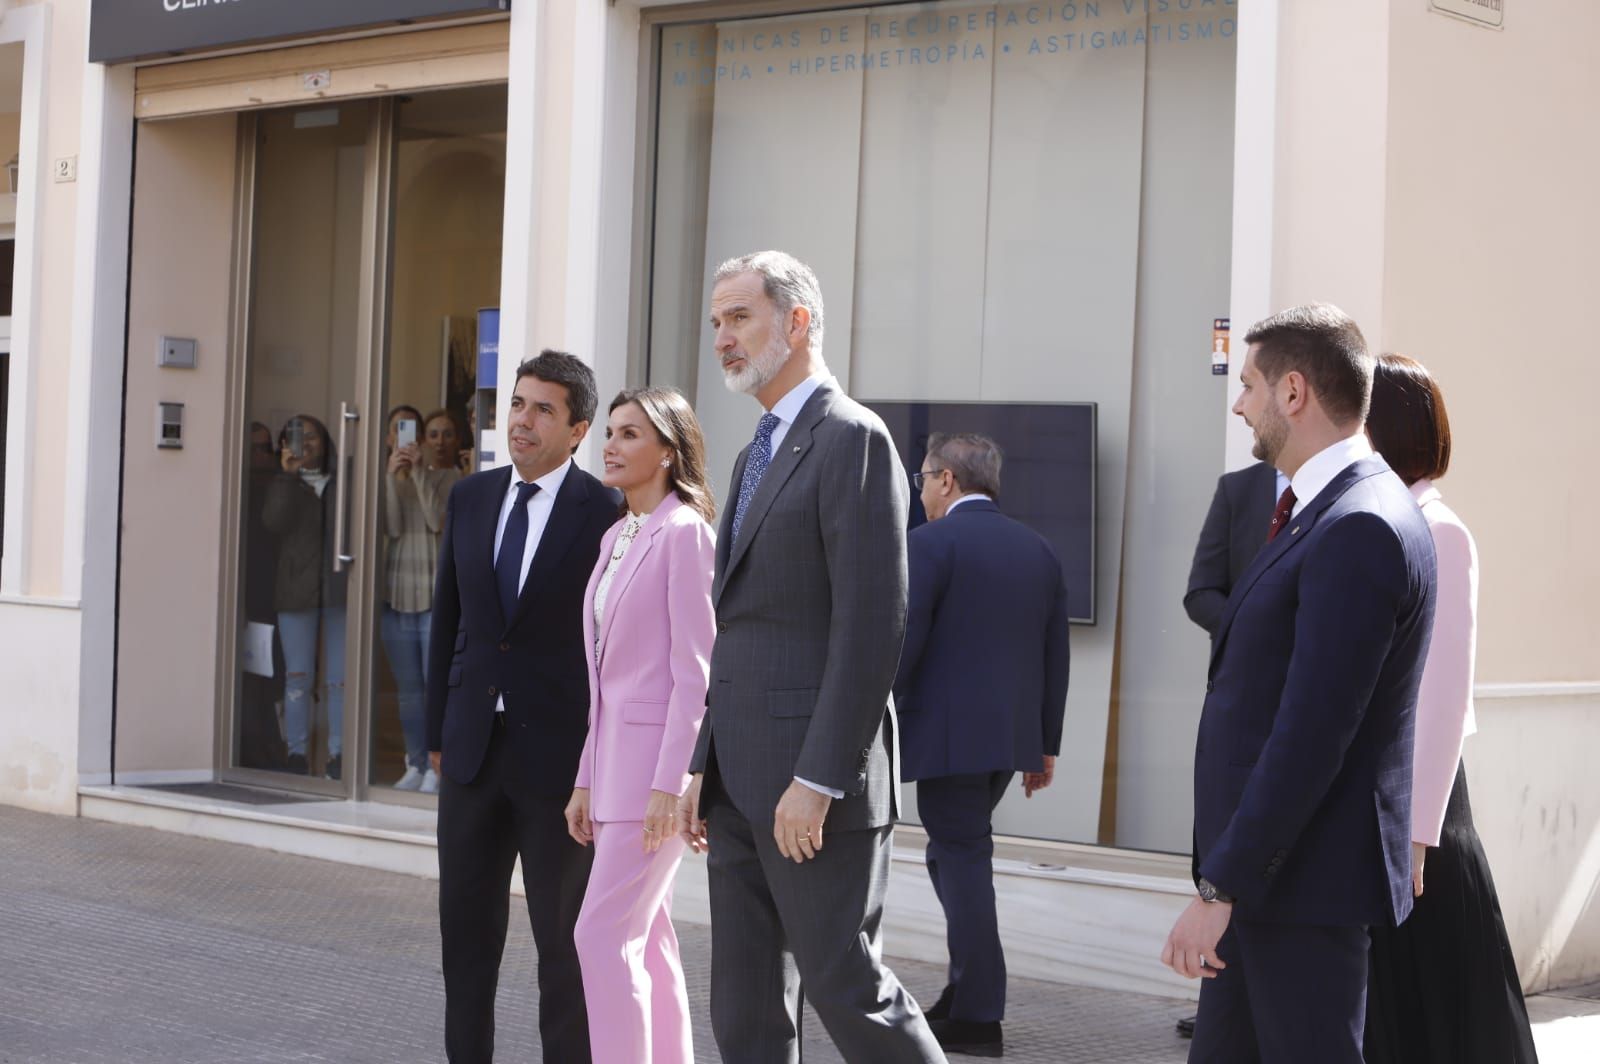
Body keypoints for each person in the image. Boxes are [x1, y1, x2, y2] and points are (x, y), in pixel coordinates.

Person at [676, 250, 945, 1063]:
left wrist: (820, 778)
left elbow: (872, 626)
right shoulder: (758, 446)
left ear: (796, 322)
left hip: (810, 790)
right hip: (737, 783)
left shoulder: (851, 439)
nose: (722, 337)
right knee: (746, 1010)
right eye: (716, 321)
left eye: (739, 317)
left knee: (849, 993)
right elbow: (744, 626)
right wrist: (703, 762)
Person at [1163, 303, 1438, 1064]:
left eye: (1248, 383)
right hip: (1270, 887)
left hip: (1301, 889)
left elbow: (1311, 735)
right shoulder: (1326, 508)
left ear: (1293, 393)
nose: (1238, 400)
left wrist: (1220, 888)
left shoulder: (1359, 523)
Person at [426, 350, 619, 1064]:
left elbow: (613, 650)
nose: (522, 421)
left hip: (561, 765)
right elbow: (449, 621)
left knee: (564, 951)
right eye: (517, 404)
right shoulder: (471, 499)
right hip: (472, 752)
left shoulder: (605, 513)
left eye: (543, 410)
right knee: (465, 944)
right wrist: (436, 733)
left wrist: (602, 761)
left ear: (578, 430)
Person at [1361, 353, 1538, 1064]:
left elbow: (1443, 690)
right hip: (1394, 805)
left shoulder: (1440, 530)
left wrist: (1417, 834)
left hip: (1422, 815)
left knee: (1438, 1011)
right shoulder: (1389, 517)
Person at [893, 432, 1071, 1057]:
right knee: (954, 855)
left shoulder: (931, 542)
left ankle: (978, 1014)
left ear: (947, 480)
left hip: (948, 739)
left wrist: (872, 712)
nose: (919, 492)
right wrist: (1044, 743)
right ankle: (964, 994)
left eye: (921, 479)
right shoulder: (1038, 549)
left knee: (961, 858)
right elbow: (1056, 654)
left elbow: (906, 644)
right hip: (1006, 742)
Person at [564, 387, 718, 1064]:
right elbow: (604, 684)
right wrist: (584, 781)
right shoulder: (617, 535)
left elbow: (697, 673)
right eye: (612, 432)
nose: (612, 445)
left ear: (667, 450)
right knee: (647, 939)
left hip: (652, 777)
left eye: (630, 434)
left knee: (600, 937)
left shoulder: (685, 533)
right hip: (613, 772)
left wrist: (674, 781)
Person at [1174, 458, 1282, 1040]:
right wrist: (1257, 625)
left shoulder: (1351, 494)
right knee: (1225, 844)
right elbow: (1199, 592)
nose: (1241, 402)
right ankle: (1224, 997)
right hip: (1240, 703)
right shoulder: (1240, 490)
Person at [381, 406, 461, 792]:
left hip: (432, 598)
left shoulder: (453, 479)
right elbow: (393, 526)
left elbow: (435, 522)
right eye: (432, 434)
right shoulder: (393, 478)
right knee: (409, 691)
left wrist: (416, 474)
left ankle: (435, 766)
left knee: (434, 689)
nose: (438, 442)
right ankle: (413, 761)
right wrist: (391, 475)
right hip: (397, 596)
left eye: (447, 434)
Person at [262, 414, 346, 779]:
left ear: (326, 441)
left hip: (340, 589)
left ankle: (339, 754)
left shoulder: (344, 481)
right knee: (298, 677)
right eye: (295, 438)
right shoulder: (284, 482)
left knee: (339, 679)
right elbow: (274, 523)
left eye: (311, 437)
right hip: (295, 591)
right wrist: (286, 476)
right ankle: (296, 754)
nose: (305, 445)